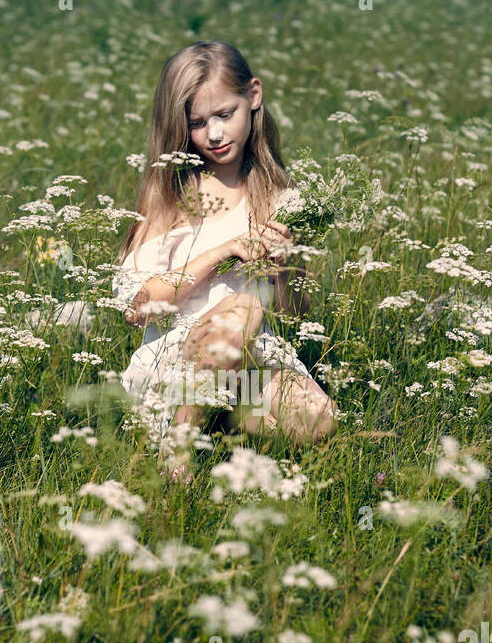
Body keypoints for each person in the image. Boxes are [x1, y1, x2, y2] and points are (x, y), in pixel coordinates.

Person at [111, 40, 338, 484]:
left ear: (253, 97)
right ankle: (177, 452)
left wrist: (288, 265)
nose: (214, 134)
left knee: (321, 420)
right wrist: (222, 252)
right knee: (245, 308)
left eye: (224, 115)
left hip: (251, 362)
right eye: (197, 123)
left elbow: (294, 315)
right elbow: (138, 307)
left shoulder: (276, 196)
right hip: (177, 359)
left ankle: (216, 422)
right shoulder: (173, 193)